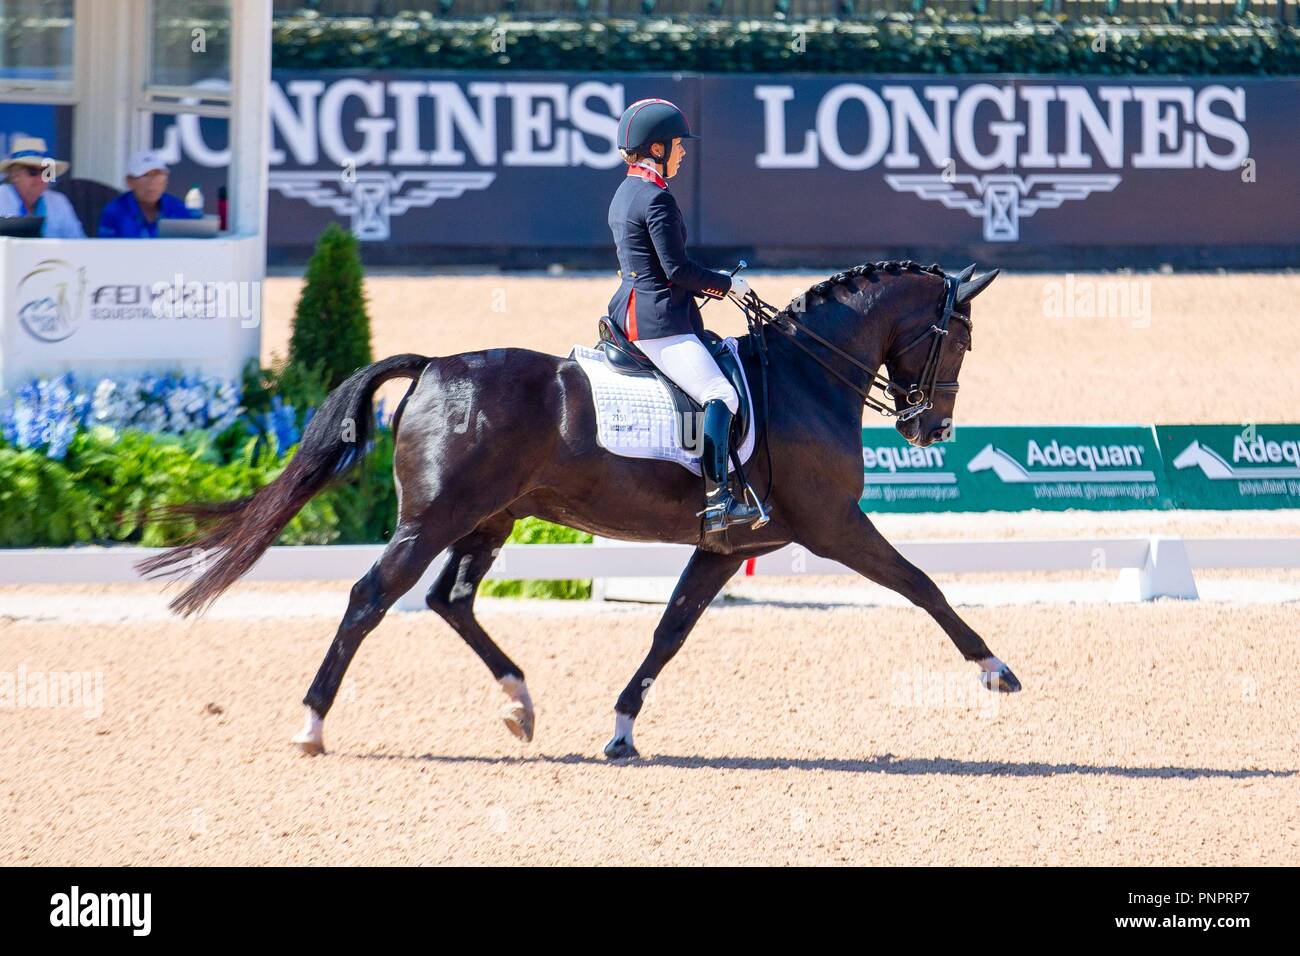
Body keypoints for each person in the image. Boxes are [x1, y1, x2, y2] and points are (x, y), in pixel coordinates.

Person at [606, 98, 763, 535]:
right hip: (657, 322)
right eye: (678, 145)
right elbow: (677, 270)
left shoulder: (626, 193)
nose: (683, 153)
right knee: (721, 394)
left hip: (633, 308)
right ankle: (718, 501)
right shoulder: (656, 199)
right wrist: (726, 284)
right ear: (657, 149)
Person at [0, 136, 85, 238]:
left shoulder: (59, 201)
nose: (41, 178)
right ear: (14, 175)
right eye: (33, 172)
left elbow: (78, 241)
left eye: (46, 172)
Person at [97, 150, 191, 238]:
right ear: (130, 181)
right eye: (145, 175)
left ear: (166, 180)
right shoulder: (115, 210)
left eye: (158, 175)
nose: (152, 182)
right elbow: (107, 249)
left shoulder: (178, 208)